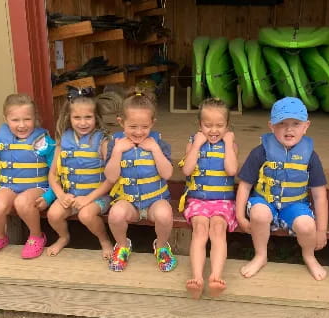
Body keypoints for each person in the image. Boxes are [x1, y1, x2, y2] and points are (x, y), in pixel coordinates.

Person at [235, 97, 328, 280]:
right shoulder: (260, 152)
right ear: (271, 126)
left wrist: (322, 230)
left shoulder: (310, 156)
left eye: (296, 123)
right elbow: (245, 186)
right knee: (259, 214)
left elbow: (319, 196)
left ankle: (309, 256)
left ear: (306, 126)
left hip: (294, 204)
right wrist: (239, 216)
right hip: (264, 200)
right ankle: (261, 255)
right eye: (282, 123)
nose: (289, 129)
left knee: (307, 225)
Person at [105, 88, 177, 272]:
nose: (138, 132)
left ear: (152, 123)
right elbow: (111, 177)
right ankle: (122, 245)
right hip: (129, 202)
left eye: (144, 127)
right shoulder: (115, 144)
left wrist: (155, 150)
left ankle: (161, 246)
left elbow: (168, 174)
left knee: (164, 215)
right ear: (121, 122)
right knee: (115, 214)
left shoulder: (159, 143)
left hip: (155, 201)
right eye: (133, 127)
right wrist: (117, 152)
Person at [0, 93, 56, 259]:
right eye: (15, 120)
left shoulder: (45, 143)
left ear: (35, 118)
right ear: (6, 119)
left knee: (22, 203)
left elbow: (57, 173)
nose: (22, 125)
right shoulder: (0, 144)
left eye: (27, 119)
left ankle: (36, 236)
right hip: (9, 186)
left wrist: (49, 196)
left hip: (37, 187)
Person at [179, 98, 238, 299]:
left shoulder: (230, 145)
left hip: (222, 201)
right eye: (207, 125)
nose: (213, 130)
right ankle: (197, 278)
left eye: (219, 125)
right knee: (201, 228)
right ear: (199, 125)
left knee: (218, 229)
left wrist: (229, 144)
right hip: (198, 200)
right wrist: (196, 145)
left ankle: (215, 277)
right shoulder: (193, 143)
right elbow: (187, 170)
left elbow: (232, 170)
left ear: (227, 126)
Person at [46, 86, 114, 260]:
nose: (83, 123)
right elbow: (52, 175)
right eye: (77, 117)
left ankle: (104, 240)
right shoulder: (63, 140)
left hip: (97, 196)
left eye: (88, 117)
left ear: (96, 117)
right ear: (69, 117)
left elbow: (111, 179)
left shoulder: (103, 141)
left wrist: (88, 199)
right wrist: (61, 195)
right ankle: (64, 237)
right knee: (53, 215)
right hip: (71, 195)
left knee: (86, 215)